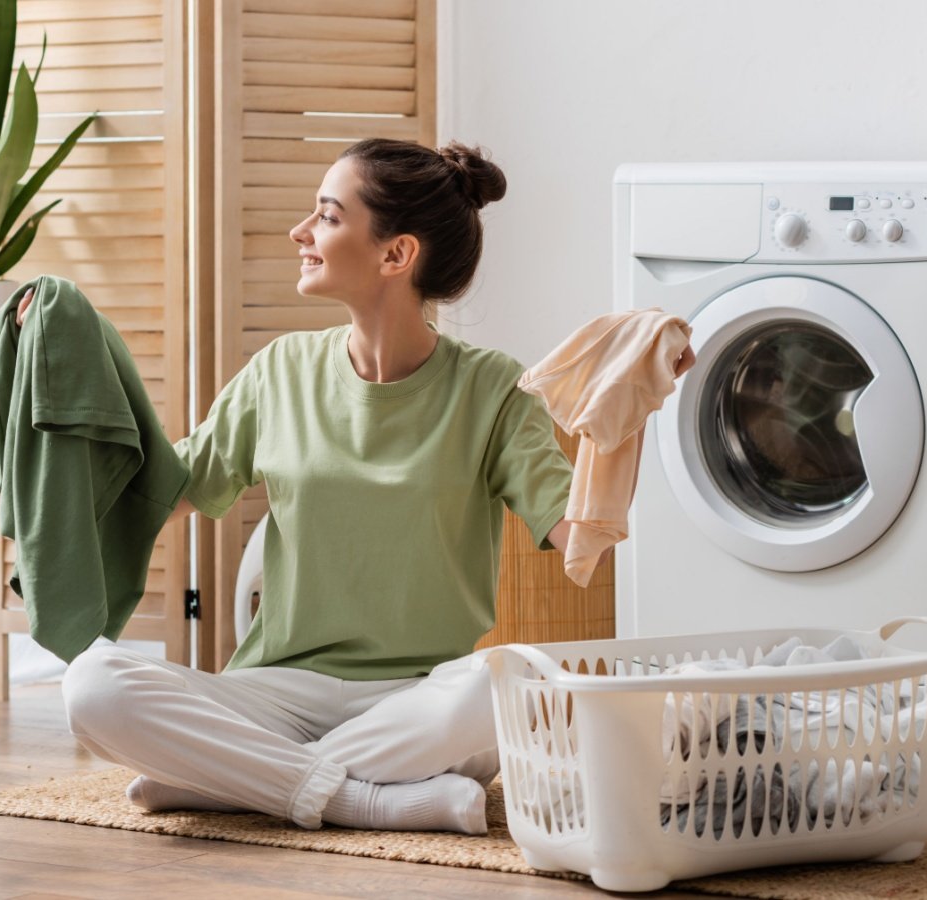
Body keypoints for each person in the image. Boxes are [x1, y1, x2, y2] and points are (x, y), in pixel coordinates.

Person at [37, 139, 588, 834]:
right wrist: (61, 354)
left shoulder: (492, 388)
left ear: (396, 255)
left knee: (509, 684)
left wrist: (624, 415)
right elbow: (159, 491)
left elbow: (583, 541)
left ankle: (234, 780)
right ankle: (362, 801)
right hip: (277, 691)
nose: (301, 232)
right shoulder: (280, 371)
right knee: (94, 685)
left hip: (424, 700)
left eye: (326, 217)